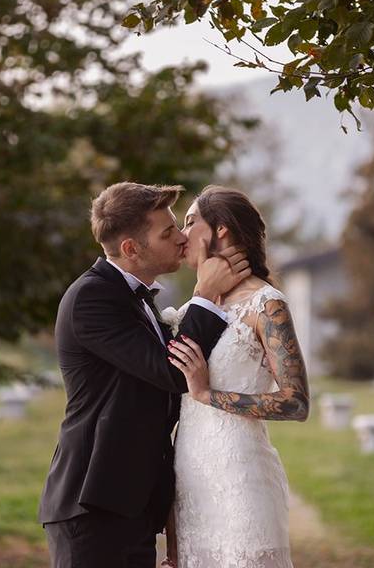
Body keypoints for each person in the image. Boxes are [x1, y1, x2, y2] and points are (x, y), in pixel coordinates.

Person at [38, 182, 252, 568]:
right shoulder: (92, 297)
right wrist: (205, 293)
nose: (182, 238)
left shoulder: (134, 296)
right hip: (92, 503)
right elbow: (171, 373)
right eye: (168, 232)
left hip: (130, 503)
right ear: (131, 249)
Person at [164, 185, 310, 568]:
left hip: (242, 486)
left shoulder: (266, 305)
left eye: (191, 221)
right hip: (190, 487)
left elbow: (296, 402)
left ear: (222, 229)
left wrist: (207, 394)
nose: (181, 234)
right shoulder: (193, 310)